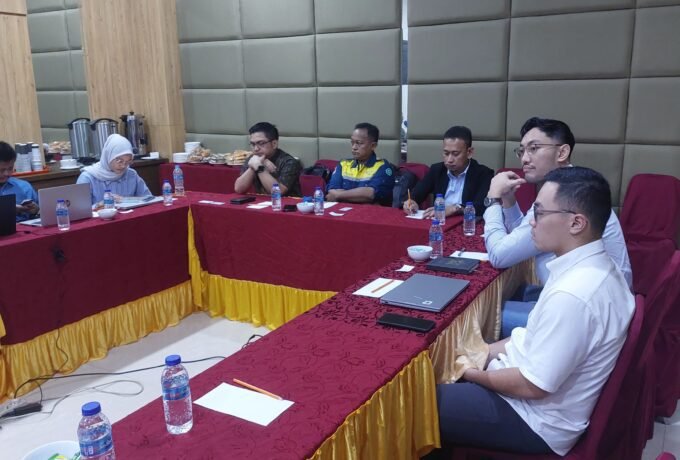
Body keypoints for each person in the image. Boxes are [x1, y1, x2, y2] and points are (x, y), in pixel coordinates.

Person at [436, 167, 635, 456]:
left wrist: (469, 372)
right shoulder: (587, 265)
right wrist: (482, 352)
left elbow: (532, 386)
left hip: (532, 418)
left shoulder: (575, 294)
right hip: (526, 390)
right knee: (445, 366)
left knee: (417, 403)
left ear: (576, 223)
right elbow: (531, 336)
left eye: (539, 213)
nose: (531, 222)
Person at [483, 117, 632, 337]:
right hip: (600, 301)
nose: (524, 158)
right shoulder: (572, 186)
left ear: (562, 152)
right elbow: (526, 236)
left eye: (534, 148)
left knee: (483, 315)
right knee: (507, 294)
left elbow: (499, 255)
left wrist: (492, 200)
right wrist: (508, 201)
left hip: (587, 315)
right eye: (522, 151)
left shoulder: (565, 196)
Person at [402, 126, 493, 217]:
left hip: (466, 223)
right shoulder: (437, 170)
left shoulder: (484, 174)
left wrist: (455, 208)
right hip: (438, 222)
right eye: (446, 153)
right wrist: (411, 202)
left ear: (469, 152)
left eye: (455, 154)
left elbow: (482, 206)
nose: (449, 160)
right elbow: (416, 194)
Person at [326, 122, 395, 205]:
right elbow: (332, 189)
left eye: (359, 143)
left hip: (369, 212)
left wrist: (338, 195)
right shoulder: (343, 164)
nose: (354, 147)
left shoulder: (383, 167)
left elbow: (369, 194)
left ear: (373, 146)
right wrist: (358, 196)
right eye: (352, 142)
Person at [77, 134, 151, 205]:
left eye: (128, 162)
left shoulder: (131, 174)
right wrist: (99, 205)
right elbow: (78, 209)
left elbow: (149, 199)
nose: (123, 166)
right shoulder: (87, 178)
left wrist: (125, 200)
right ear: (108, 156)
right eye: (119, 161)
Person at [234, 122, 301, 196]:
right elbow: (239, 189)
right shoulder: (253, 159)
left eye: (261, 143)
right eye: (253, 144)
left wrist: (259, 167)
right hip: (262, 202)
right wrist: (253, 167)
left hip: (285, 202)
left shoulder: (289, 162)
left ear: (274, 144)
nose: (256, 149)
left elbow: (278, 192)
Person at [0, 141, 40, 222]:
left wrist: (35, 210)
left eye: (10, 168)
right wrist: (9, 209)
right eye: (1, 170)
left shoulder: (24, 187)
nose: (6, 173)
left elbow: (39, 214)